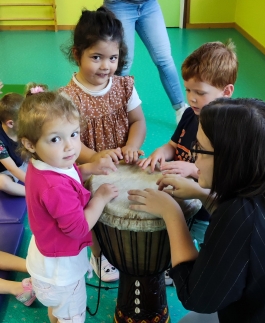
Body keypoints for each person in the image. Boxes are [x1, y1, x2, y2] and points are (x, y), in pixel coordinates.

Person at [128, 97, 265, 323]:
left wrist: (172, 213)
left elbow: (196, 296)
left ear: (230, 159)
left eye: (199, 149)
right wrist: (203, 194)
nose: (193, 156)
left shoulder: (239, 216)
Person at [137, 40, 238, 284]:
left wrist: (193, 169)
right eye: (188, 91)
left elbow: (228, 172)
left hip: (206, 210)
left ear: (226, 91)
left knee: (200, 242)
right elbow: (173, 145)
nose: (191, 99)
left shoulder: (230, 128)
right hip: (178, 195)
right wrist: (161, 152)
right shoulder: (190, 115)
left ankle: (192, 271)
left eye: (200, 93)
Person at [60, 6, 146, 282]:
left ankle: (126, 245)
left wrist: (132, 145)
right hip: (88, 166)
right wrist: (96, 158)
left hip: (123, 163)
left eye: (112, 57)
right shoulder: (68, 97)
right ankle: (99, 255)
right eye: (96, 57)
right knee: (93, 211)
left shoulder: (124, 86)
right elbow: (71, 141)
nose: (105, 66)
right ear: (77, 54)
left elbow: (138, 122)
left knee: (131, 204)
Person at [18, 89, 119, 323]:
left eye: (74, 134)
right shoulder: (55, 188)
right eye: (56, 139)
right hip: (61, 275)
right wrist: (100, 198)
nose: (70, 147)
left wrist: (89, 168)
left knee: (57, 312)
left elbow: (68, 176)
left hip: (44, 262)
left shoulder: (42, 164)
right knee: (71, 317)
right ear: (30, 144)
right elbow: (78, 228)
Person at [103, 0, 187, 123]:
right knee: (122, 64)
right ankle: (113, 113)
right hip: (119, 4)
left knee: (164, 59)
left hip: (149, 4)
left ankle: (182, 110)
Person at [0, 90, 26, 196]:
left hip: (24, 163)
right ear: (10, 123)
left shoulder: (23, 127)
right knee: (2, 183)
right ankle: (33, 194)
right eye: (24, 121)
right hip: (7, 171)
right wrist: (34, 184)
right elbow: (12, 168)